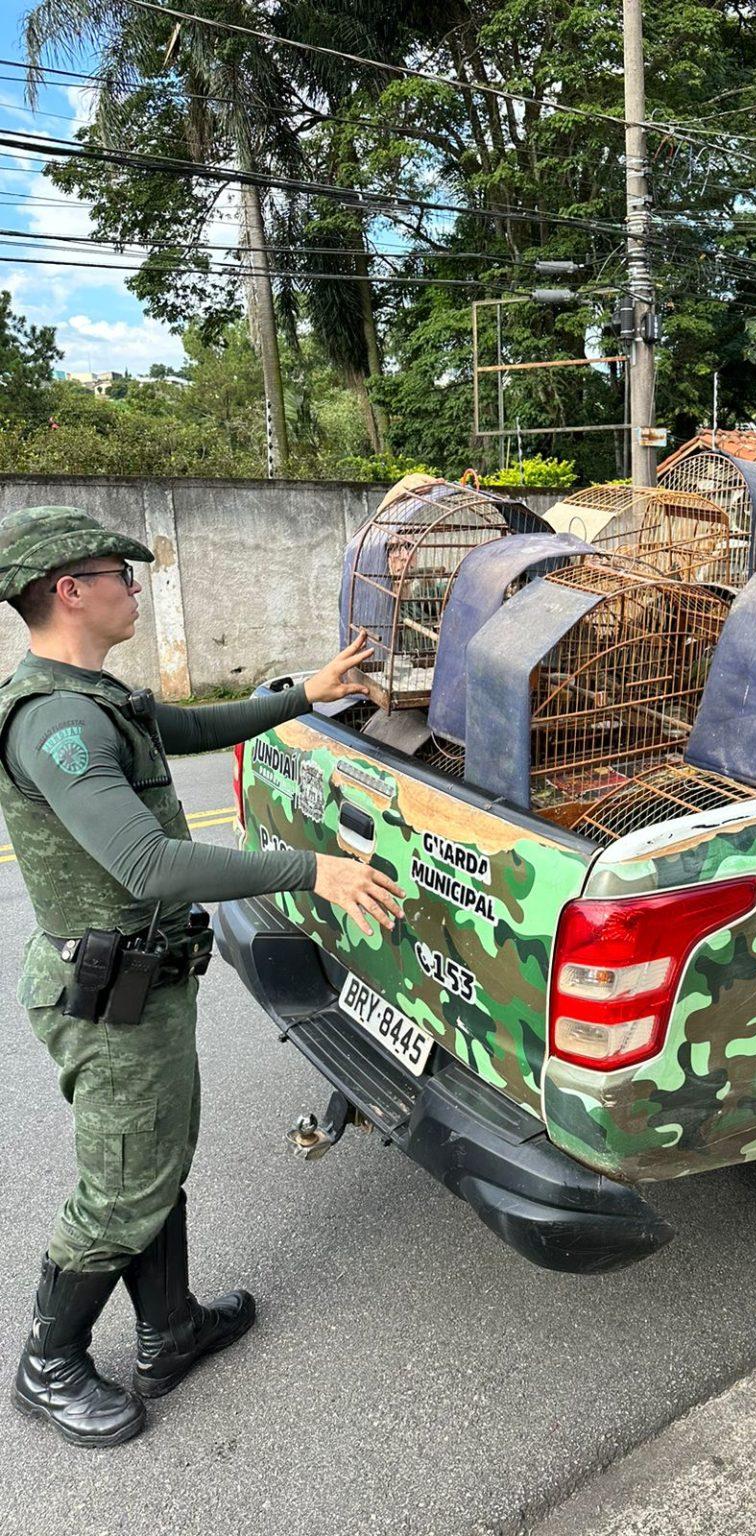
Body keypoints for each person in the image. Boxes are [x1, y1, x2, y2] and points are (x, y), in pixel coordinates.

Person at [0, 505, 406, 1448]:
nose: (134, 588)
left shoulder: (99, 696)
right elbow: (147, 865)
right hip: (105, 999)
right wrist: (316, 869)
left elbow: (187, 724)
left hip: (142, 983)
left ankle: (169, 1330)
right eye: (120, 575)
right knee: (121, 1185)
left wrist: (306, 692)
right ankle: (47, 1362)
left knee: (155, 1160)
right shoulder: (54, 723)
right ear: (71, 590)